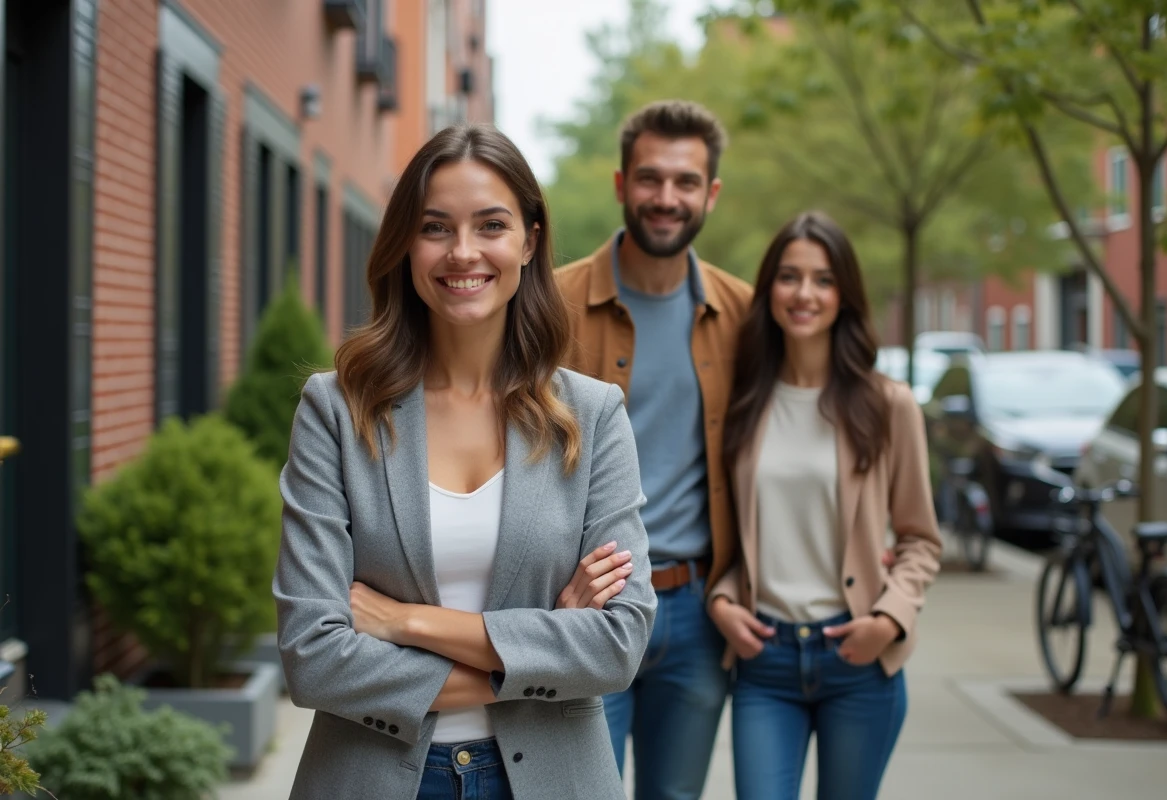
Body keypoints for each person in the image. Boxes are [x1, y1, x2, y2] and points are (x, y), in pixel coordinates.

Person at [273, 123, 657, 800]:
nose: (462, 252)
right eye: (435, 227)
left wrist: (407, 622)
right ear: (405, 243)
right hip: (370, 776)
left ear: (529, 242)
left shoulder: (593, 416)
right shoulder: (336, 410)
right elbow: (314, 657)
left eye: (491, 225)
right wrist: (546, 650)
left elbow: (617, 644)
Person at [707, 211, 942, 800]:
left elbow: (919, 538)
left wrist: (889, 620)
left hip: (857, 660)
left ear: (845, 295)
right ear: (769, 290)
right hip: (765, 661)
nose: (804, 294)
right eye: (789, 277)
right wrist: (723, 598)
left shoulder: (888, 405)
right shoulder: (744, 403)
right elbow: (735, 535)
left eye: (823, 280)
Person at [555, 99, 752, 799]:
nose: (666, 197)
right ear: (621, 184)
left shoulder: (743, 313)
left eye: (685, 181)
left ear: (711, 193)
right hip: (585, 606)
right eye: (649, 178)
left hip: (696, 611)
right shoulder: (550, 305)